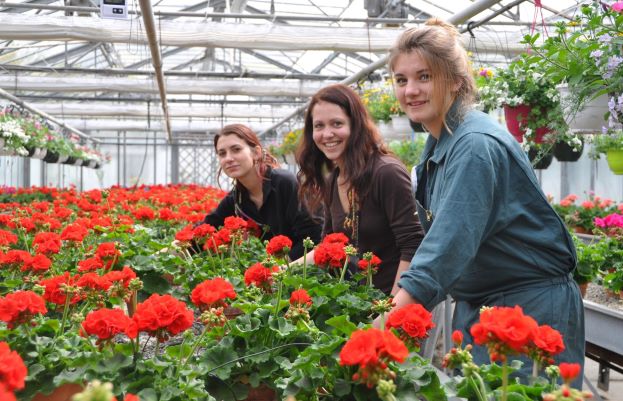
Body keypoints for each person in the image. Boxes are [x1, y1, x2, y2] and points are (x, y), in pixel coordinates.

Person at [382, 19, 585, 384]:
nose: (410, 90)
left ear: (456, 81)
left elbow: (444, 251)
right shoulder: (440, 146)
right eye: (401, 79)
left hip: (528, 309)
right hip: (485, 306)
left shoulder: (475, 146)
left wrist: (381, 329)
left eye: (424, 76)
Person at [296, 83, 425, 295]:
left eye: (337, 123)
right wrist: (282, 271)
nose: (327, 134)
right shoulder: (333, 180)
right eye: (318, 126)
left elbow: (413, 244)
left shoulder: (386, 172)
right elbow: (328, 244)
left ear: (356, 125)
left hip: (392, 302)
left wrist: (390, 310)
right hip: (357, 302)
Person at [196, 124, 322, 260]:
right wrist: (176, 248)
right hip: (274, 272)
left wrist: (279, 268)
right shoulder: (236, 198)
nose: (228, 158)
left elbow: (315, 236)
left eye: (236, 149)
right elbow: (206, 227)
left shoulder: (285, 183)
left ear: (256, 152)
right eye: (222, 153)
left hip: (307, 270)